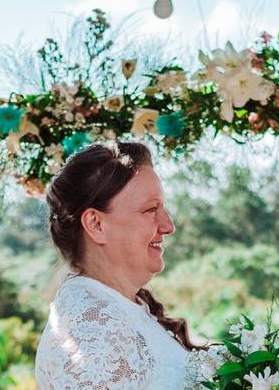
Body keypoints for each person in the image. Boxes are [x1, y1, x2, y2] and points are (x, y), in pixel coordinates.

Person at [35, 142, 198, 389]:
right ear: (96, 224)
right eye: (151, 209)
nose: (168, 226)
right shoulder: (91, 332)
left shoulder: (121, 309)